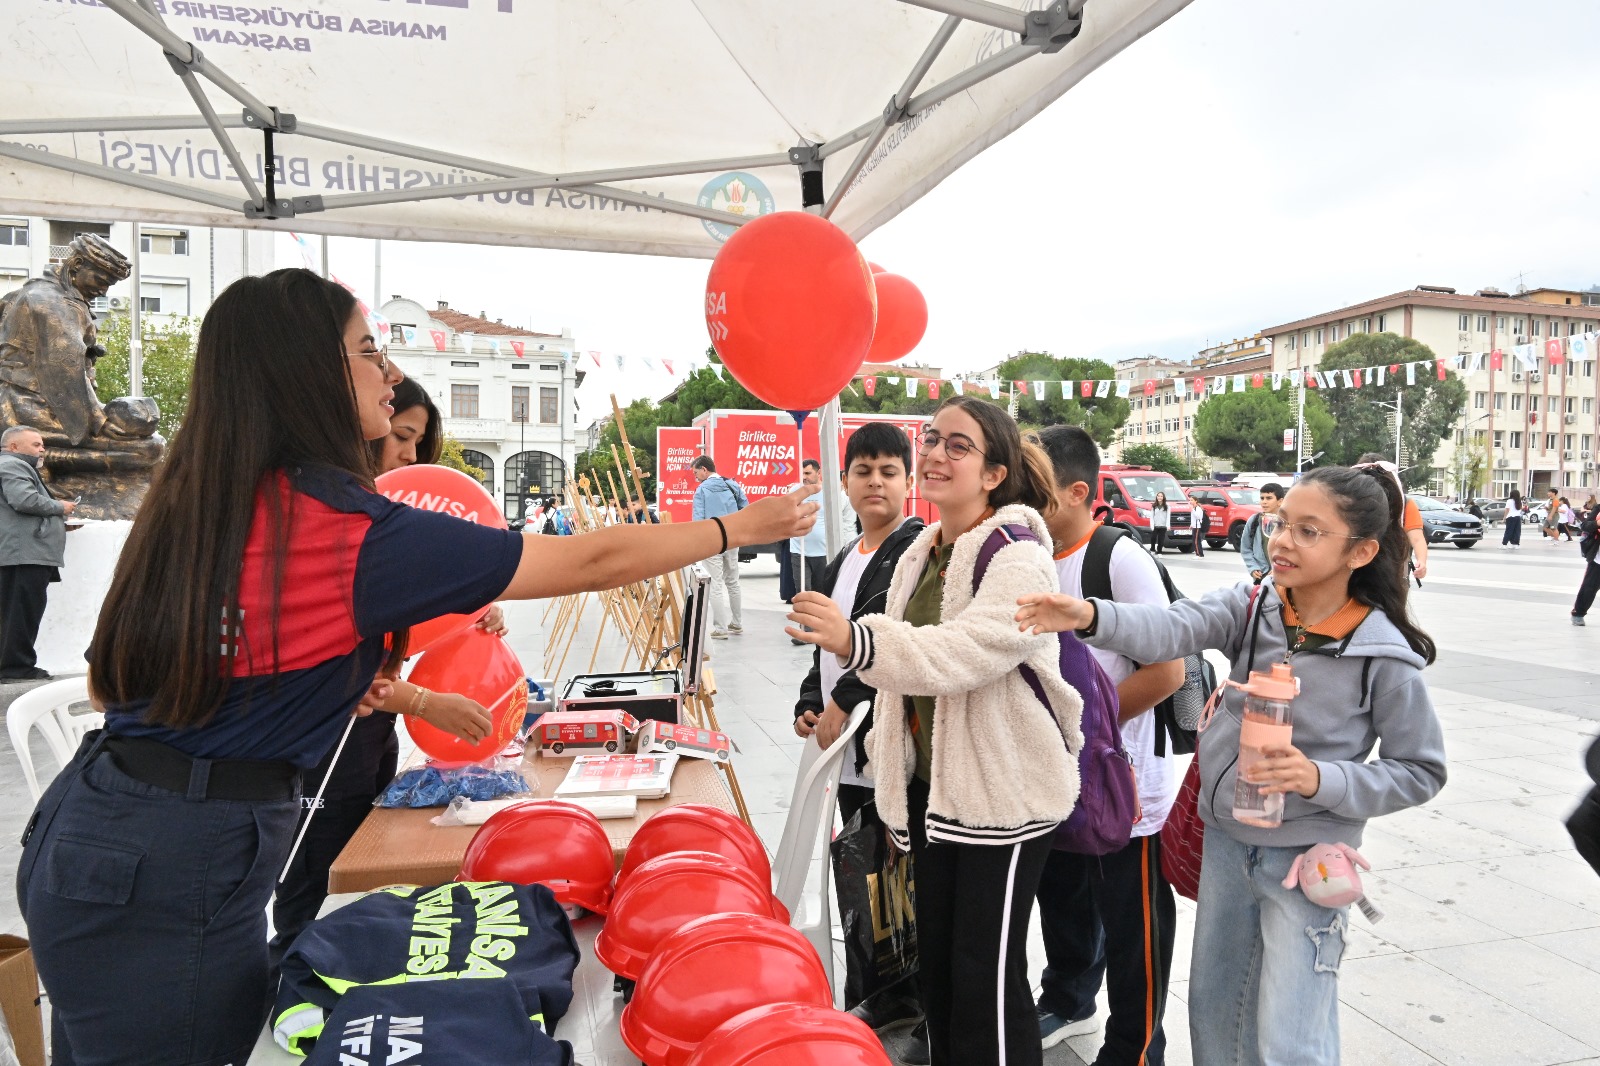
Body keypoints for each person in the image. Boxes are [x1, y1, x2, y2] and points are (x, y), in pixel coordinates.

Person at [15, 268, 818, 1066]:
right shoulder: (342, 530)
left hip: (99, 831)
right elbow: (591, 557)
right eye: (369, 351)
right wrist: (738, 527)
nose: (390, 374)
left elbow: (111, 680)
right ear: (309, 373)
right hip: (172, 865)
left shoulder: (202, 498)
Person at [1016, 464, 1447, 1066]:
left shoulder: (1382, 654)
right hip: (1226, 845)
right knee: (1216, 1012)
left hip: (1307, 866)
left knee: (1291, 1033)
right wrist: (1090, 616)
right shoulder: (1255, 607)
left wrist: (1319, 778)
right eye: (1281, 524)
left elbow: (1421, 769)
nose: (1282, 540)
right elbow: (1173, 625)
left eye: (1308, 531)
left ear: (1362, 551)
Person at [788, 395, 1081, 1066]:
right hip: (936, 791)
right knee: (944, 973)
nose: (937, 456)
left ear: (995, 474)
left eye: (959, 446)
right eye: (934, 440)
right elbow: (905, 676)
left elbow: (967, 651)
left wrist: (857, 641)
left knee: (986, 979)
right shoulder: (924, 548)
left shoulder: (1018, 552)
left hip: (1004, 794)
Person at [270, 374, 507, 964]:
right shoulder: (314, 526)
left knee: (367, 854)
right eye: (402, 436)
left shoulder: (373, 527)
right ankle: (296, 986)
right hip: (321, 743)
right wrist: (424, 704)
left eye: (417, 446)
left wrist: (468, 611)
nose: (406, 456)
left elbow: (392, 630)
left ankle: (355, 967)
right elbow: (331, 669)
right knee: (318, 876)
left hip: (368, 734)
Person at [1032, 426, 1185, 1063]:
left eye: (1036, 489)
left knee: (1132, 917)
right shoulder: (1030, 555)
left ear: (1075, 493)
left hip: (1123, 781)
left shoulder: (1118, 558)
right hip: (1054, 773)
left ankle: (1137, 1044)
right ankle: (1069, 998)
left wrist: (1086, 731)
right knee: (1062, 891)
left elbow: (1168, 669)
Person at [792, 423, 926, 1056]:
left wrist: (843, 703)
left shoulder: (914, 552)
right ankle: (872, 994)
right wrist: (811, 701)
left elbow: (890, 640)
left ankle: (899, 1000)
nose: (876, 482)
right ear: (844, 481)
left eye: (889, 471)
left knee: (894, 879)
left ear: (908, 482)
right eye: (864, 470)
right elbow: (825, 643)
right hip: (844, 753)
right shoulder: (843, 557)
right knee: (862, 869)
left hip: (891, 749)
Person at [0, 426, 75, 680]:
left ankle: (12, 665)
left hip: (23, 552)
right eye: (35, 444)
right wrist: (60, 507)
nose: (42, 448)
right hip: (24, 553)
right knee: (21, 611)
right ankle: (16, 668)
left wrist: (59, 520)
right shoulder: (12, 465)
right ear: (13, 447)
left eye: (42, 444)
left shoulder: (14, 465)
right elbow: (24, 500)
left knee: (15, 610)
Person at [691, 455, 748, 639]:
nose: (696, 477)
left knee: (715, 583)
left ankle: (720, 628)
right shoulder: (732, 485)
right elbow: (745, 508)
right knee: (733, 581)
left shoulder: (701, 490)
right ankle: (737, 623)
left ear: (704, 469)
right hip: (732, 538)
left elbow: (698, 521)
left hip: (712, 540)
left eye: (696, 472)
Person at [1356, 454, 1426, 580]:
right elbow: (1417, 539)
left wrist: (1422, 561)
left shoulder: (1405, 504)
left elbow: (1417, 539)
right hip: (1386, 570)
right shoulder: (1405, 504)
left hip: (1385, 569)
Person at [789, 458, 829, 644]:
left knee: (820, 592)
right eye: (802, 473)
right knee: (802, 591)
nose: (804, 477)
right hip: (799, 549)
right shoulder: (794, 492)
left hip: (822, 551)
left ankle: (820, 629)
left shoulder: (828, 492)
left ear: (818, 473)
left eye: (808, 473)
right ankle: (805, 631)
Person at [1241, 482, 1285, 584]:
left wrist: (1277, 568)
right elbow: (1245, 548)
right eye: (1262, 498)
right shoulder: (1254, 521)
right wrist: (1253, 568)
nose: (1264, 502)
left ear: (1280, 501)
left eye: (1269, 498)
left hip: (1281, 576)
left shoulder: (1287, 522)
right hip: (1261, 575)